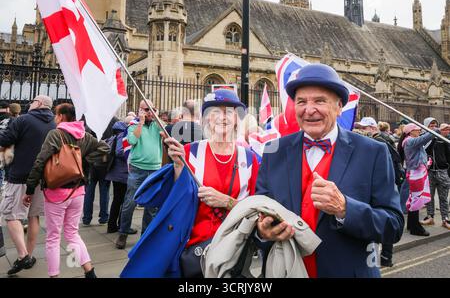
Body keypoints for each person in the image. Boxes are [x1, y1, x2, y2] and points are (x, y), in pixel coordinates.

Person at [254, 63, 404, 278]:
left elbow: (393, 225)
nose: (309, 109)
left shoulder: (373, 152)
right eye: (301, 102)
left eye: (320, 101)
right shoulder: (274, 151)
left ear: (339, 106)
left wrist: (345, 208)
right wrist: (263, 231)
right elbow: (259, 212)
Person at [164, 89, 259, 277]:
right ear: (206, 118)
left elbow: (257, 209)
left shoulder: (249, 159)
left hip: (235, 247)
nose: (222, 117)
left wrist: (226, 201)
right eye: (215, 111)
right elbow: (176, 199)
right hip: (195, 249)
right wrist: (177, 167)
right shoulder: (190, 152)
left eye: (229, 112)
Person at [24, 103, 110, 278]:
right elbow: (105, 149)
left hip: (57, 192)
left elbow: (40, 161)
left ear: (62, 116)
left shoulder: (56, 134)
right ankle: (89, 271)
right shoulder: (84, 135)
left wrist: (30, 188)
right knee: (72, 233)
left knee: (53, 237)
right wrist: (83, 160)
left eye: (56, 115)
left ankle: (54, 275)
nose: (55, 119)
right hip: (78, 191)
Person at [0, 95, 56, 276]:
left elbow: (5, 140)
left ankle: (23, 255)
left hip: (20, 176)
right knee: (33, 216)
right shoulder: (54, 123)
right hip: (42, 177)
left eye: (32, 101)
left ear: (38, 104)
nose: (30, 103)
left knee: (10, 214)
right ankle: (29, 256)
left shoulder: (23, 120)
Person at [115, 100, 164, 249]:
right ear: (139, 111)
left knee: (152, 205)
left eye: (151, 109)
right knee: (130, 202)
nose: (149, 112)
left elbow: (166, 133)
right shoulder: (133, 125)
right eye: (146, 109)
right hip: (138, 169)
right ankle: (123, 232)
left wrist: (156, 116)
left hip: (155, 169)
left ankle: (145, 236)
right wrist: (141, 123)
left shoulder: (157, 125)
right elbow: (132, 140)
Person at [359, 118, 405, 268]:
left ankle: (385, 256)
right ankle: (383, 257)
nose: (362, 131)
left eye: (364, 128)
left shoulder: (379, 142)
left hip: (384, 184)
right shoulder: (381, 139)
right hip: (384, 182)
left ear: (372, 128)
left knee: (385, 219)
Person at [397, 123, 436, 237]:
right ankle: (415, 228)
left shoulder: (411, 140)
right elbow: (426, 137)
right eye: (417, 129)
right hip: (416, 174)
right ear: (410, 131)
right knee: (416, 200)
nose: (419, 131)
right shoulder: (410, 141)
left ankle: (411, 224)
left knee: (414, 199)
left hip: (417, 173)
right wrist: (436, 130)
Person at [82, 116, 118, 226]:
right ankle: (103, 217)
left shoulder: (92, 118)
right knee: (104, 190)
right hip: (105, 159)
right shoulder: (114, 120)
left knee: (89, 189)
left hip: (92, 158)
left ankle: (87, 218)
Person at [421, 122, 450, 230]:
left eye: (448, 129)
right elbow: (425, 150)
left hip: (443, 171)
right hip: (430, 172)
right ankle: (430, 217)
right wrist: (433, 138)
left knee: (443, 197)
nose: (446, 131)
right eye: (444, 129)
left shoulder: (446, 141)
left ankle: (445, 219)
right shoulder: (429, 139)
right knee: (429, 197)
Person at [105, 121, 130, 234]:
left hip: (116, 173)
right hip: (122, 174)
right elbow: (119, 152)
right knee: (123, 201)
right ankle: (120, 225)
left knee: (117, 200)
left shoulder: (112, 137)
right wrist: (130, 155)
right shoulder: (121, 136)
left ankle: (112, 225)